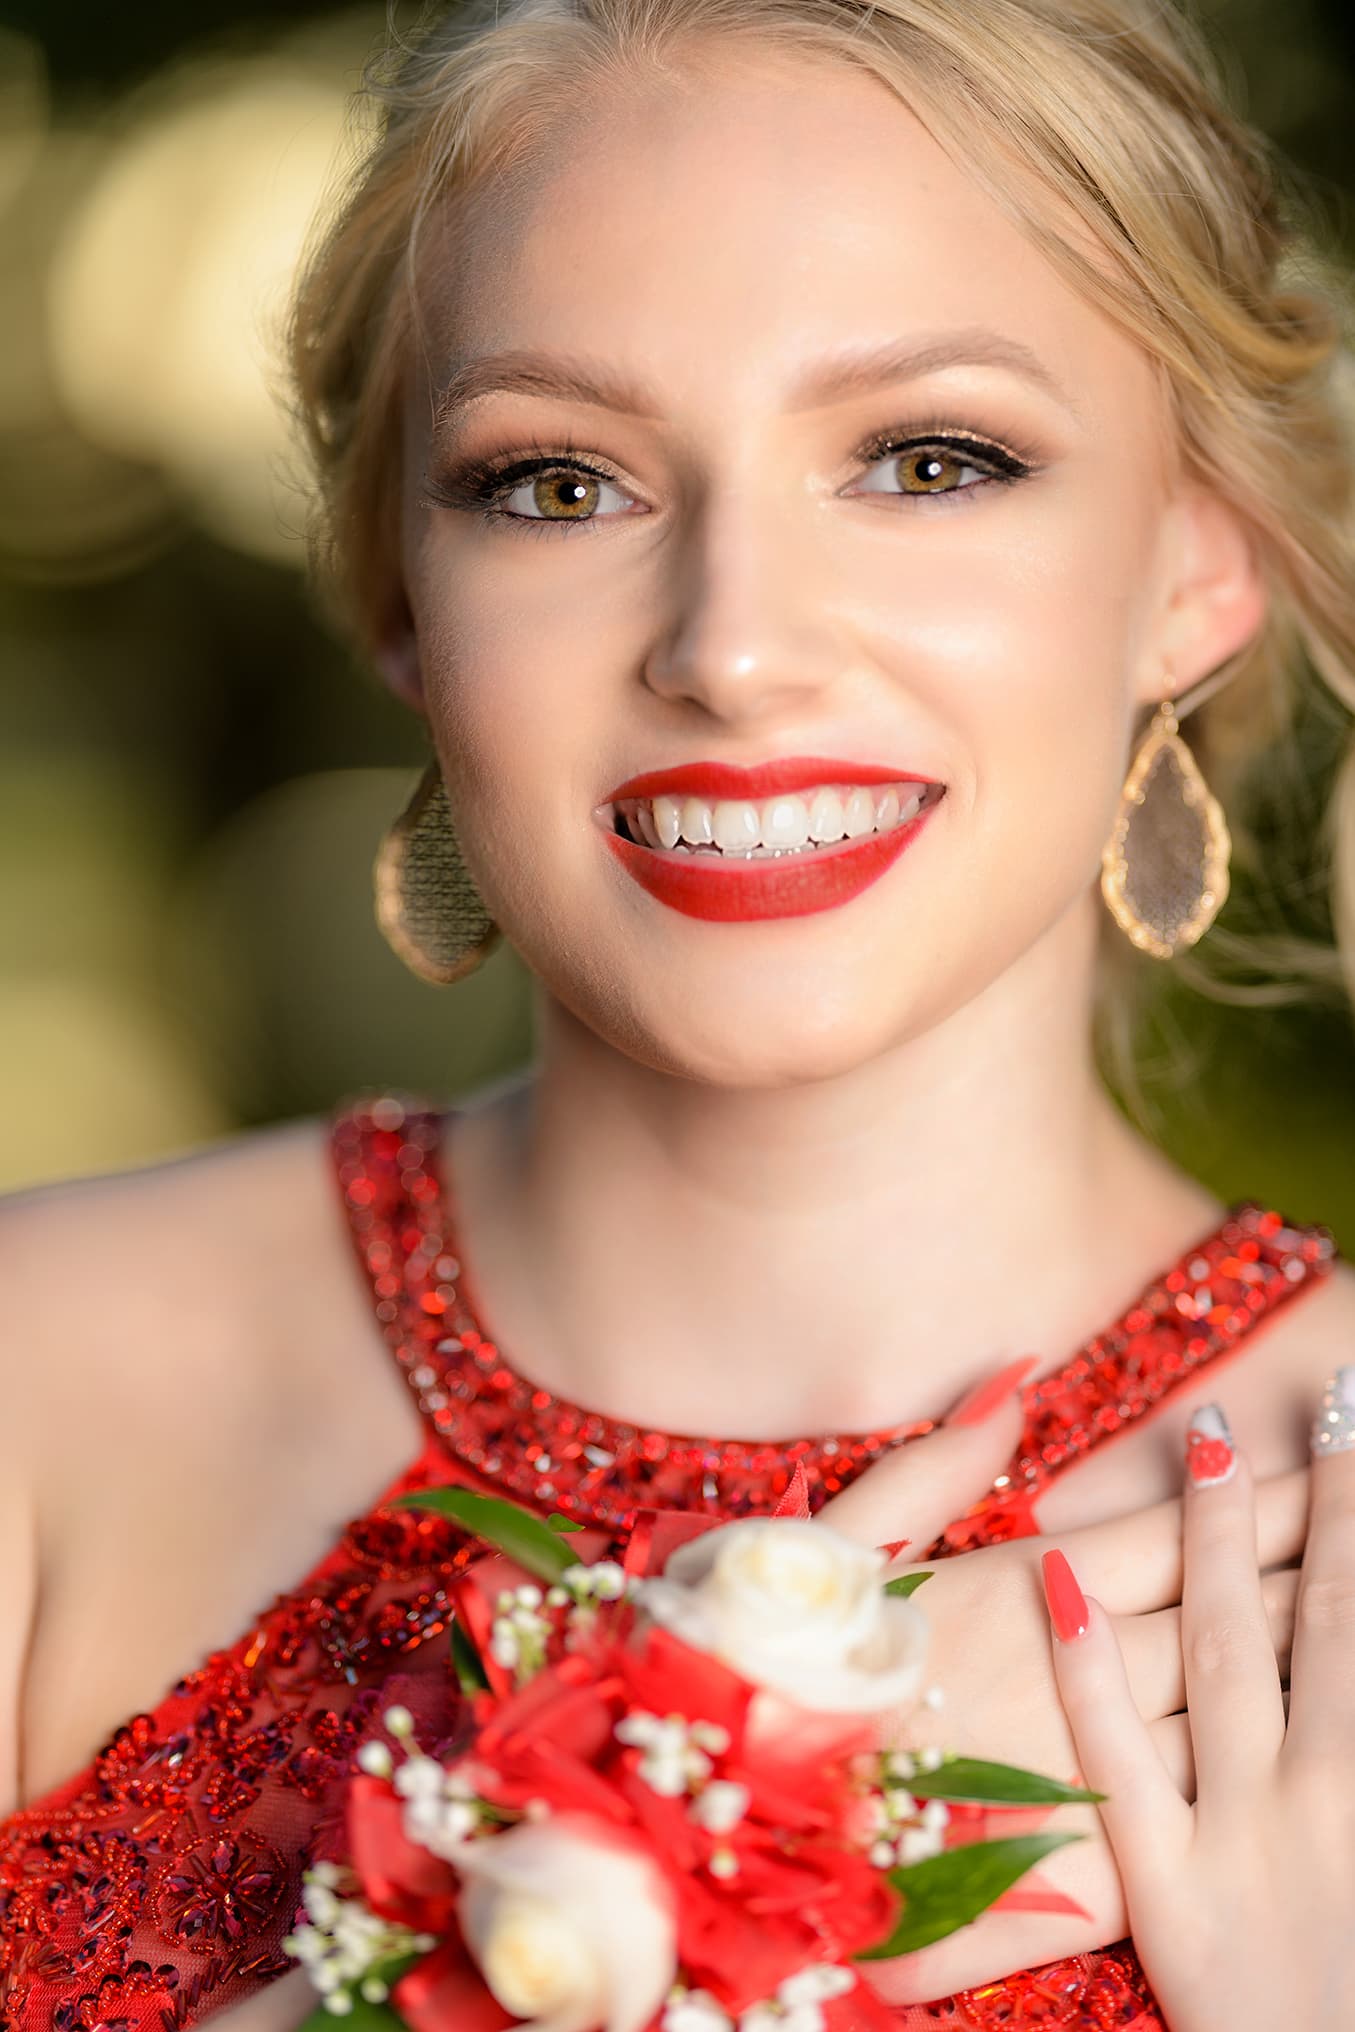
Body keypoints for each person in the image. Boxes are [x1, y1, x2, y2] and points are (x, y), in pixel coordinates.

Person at [3, 0, 1355, 2026]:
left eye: (927, 459)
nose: (731, 646)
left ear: (1196, 558)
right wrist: (669, 1849)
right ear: (398, 586)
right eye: (559, 482)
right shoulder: (41, 1382)